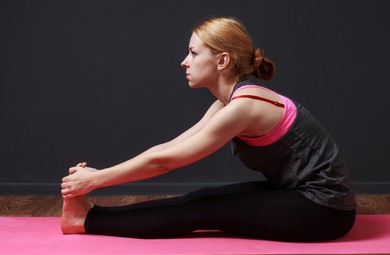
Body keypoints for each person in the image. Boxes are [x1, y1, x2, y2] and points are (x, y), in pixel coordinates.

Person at [61, 17, 356, 241]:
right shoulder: (229, 102)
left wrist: (95, 180)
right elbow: (166, 149)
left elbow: (165, 163)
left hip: (326, 210)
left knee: (203, 208)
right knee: (203, 199)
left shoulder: (244, 106)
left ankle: (85, 221)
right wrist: (95, 176)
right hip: (300, 195)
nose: (184, 61)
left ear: (222, 61)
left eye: (193, 53)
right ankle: (88, 216)